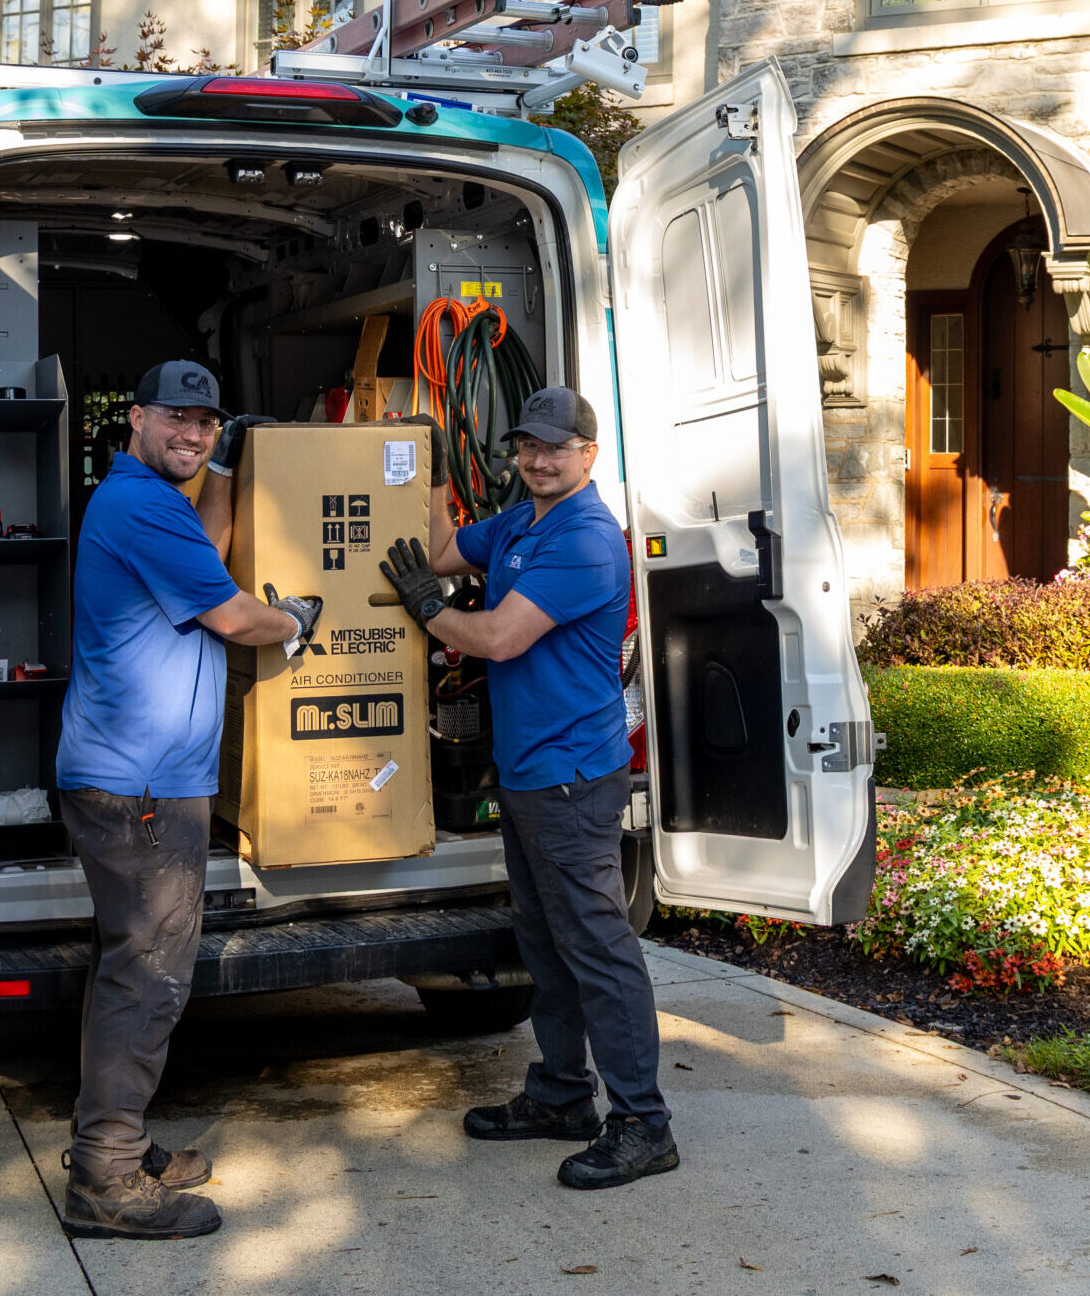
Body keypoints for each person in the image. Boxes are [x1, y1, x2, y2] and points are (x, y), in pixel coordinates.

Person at [380, 387, 678, 1190]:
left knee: (597, 948)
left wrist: (427, 610)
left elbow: (497, 637)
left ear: (588, 453)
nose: (537, 461)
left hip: (572, 776)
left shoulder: (584, 539)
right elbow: (442, 550)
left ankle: (643, 1124)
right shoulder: (522, 521)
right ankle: (558, 1096)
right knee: (544, 943)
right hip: (528, 771)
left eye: (553, 448)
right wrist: (435, 469)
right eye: (526, 448)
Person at [56, 361, 320, 1240]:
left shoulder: (147, 500)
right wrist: (297, 620)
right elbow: (237, 615)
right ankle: (106, 1178)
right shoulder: (137, 505)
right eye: (178, 418)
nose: (193, 434)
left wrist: (233, 469)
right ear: (134, 417)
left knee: (128, 968)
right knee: (149, 977)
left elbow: (203, 545)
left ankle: (112, 1145)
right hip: (140, 787)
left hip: (134, 777)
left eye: (206, 423)